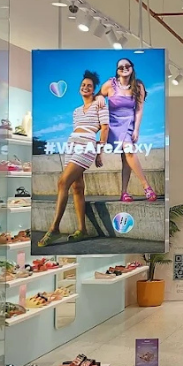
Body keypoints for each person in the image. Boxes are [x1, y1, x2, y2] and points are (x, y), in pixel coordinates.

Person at [39, 71, 109, 247]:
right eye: (83, 85)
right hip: (71, 144)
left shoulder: (100, 105)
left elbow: (105, 128)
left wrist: (99, 152)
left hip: (87, 145)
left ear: (94, 89)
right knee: (77, 187)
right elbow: (76, 128)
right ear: (80, 89)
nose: (85, 87)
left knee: (63, 182)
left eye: (89, 86)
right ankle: (82, 229)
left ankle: (54, 228)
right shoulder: (76, 111)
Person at [100, 57, 156, 203]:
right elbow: (97, 99)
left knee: (127, 158)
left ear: (132, 67)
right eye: (120, 67)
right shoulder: (109, 85)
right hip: (114, 124)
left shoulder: (138, 85)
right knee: (128, 152)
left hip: (129, 124)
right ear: (117, 71)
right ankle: (146, 187)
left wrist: (136, 129)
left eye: (127, 65)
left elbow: (139, 109)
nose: (124, 68)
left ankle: (124, 192)